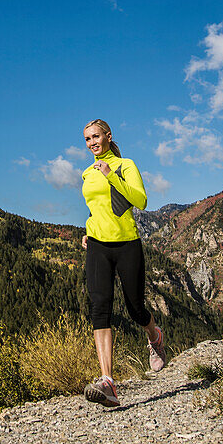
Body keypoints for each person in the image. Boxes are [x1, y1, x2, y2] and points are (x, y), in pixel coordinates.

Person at [80, 119, 165, 408]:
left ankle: (154, 336)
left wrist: (111, 175)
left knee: (135, 307)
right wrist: (88, 230)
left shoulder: (125, 165)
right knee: (99, 306)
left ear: (108, 136)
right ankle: (108, 382)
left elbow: (140, 200)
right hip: (97, 246)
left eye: (96, 136)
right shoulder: (85, 174)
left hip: (127, 243)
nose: (92, 143)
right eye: (87, 139)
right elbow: (97, 207)